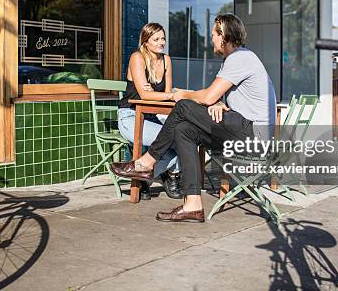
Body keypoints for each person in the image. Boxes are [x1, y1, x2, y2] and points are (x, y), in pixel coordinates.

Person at [111, 13, 276, 222]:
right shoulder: (235, 59)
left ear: (224, 35)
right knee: (183, 131)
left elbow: (207, 95)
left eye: (214, 35)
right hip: (243, 129)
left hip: (252, 135)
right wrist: (216, 102)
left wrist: (186, 95)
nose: (212, 40)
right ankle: (193, 205)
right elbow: (216, 97)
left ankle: (145, 163)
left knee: (182, 106)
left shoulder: (240, 58)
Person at [117, 22, 182, 200]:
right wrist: (161, 94)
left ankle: (142, 178)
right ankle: (171, 175)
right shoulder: (137, 58)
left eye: (163, 38)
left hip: (152, 116)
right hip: (130, 116)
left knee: (185, 138)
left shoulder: (166, 60)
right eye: (156, 39)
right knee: (177, 141)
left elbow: (166, 94)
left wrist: (160, 95)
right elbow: (146, 95)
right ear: (146, 41)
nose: (161, 42)